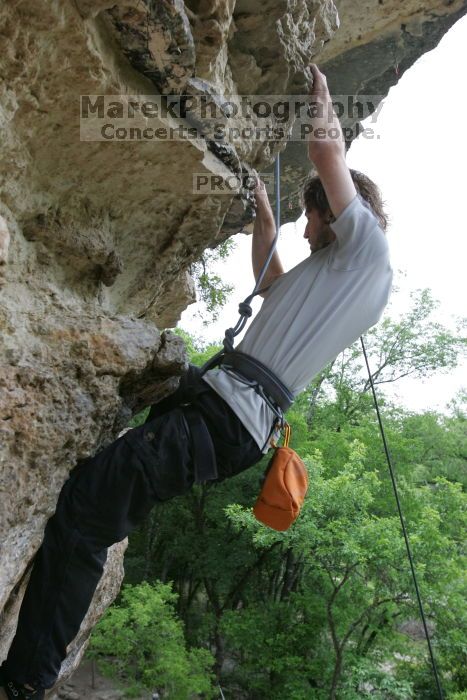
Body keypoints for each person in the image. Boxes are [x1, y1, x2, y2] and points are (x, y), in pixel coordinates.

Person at [0, 64, 392, 700]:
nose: (305, 225)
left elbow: (327, 151)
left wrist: (320, 102)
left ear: (337, 212)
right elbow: (269, 275)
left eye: (309, 215)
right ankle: (30, 670)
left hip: (224, 418)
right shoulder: (332, 277)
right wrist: (264, 209)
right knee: (99, 490)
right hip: (222, 414)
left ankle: (27, 680)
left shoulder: (366, 251)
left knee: (88, 512)